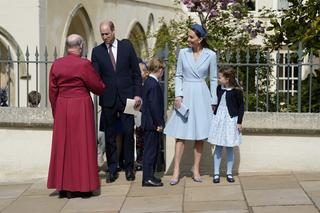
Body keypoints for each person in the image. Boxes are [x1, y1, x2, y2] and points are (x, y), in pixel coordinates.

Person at [47, 34, 106, 198]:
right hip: (81, 106)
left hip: (62, 106)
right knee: (82, 146)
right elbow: (97, 87)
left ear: (67, 47)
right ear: (80, 46)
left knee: (64, 147)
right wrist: (103, 83)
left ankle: (64, 187)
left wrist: (56, 111)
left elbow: (52, 91)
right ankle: (83, 187)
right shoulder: (84, 64)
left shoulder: (57, 64)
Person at [164, 23, 218, 185]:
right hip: (186, 94)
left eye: (191, 37)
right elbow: (178, 75)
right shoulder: (182, 53)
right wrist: (178, 95)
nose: (188, 39)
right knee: (180, 134)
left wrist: (213, 100)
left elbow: (214, 78)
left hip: (202, 95)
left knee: (200, 134)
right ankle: (176, 170)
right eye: (188, 36)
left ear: (200, 39)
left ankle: (195, 169)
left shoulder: (211, 55)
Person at [91, 20, 142, 183]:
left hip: (128, 98)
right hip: (108, 99)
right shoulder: (97, 52)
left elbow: (136, 73)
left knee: (128, 133)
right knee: (110, 135)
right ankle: (112, 169)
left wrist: (137, 95)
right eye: (102, 34)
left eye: (107, 33)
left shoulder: (127, 47)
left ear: (114, 31)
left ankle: (129, 168)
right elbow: (95, 76)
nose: (105, 37)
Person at [208, 67, 244, 184]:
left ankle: (229, 173)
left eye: (220, 77)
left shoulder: (236, 91)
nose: (218, 79)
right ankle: (216, 173)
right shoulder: (219, 88)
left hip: (230, 120)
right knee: (218, 146)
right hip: (219, 119)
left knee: (229, 147)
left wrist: (239, 122)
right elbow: (215, 102)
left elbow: (241, 107)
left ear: (227, 78)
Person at [141, 58, 165, 187]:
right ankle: (147, 178)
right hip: (152, 124)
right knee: (150, 152)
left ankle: (149, 176)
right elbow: (154, 106)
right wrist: (159, 123)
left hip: (148, 123)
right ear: (160, 70)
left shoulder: (148, 82)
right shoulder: (154, 84)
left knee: (150, 151)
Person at [135, 58, 150, 171]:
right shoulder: (137, 85)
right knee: (139, 138)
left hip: (147, 115)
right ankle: (139, 160)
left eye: (140, 71)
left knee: (146, 138)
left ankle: (146, 159)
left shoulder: (148, 84)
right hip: (138, 115)